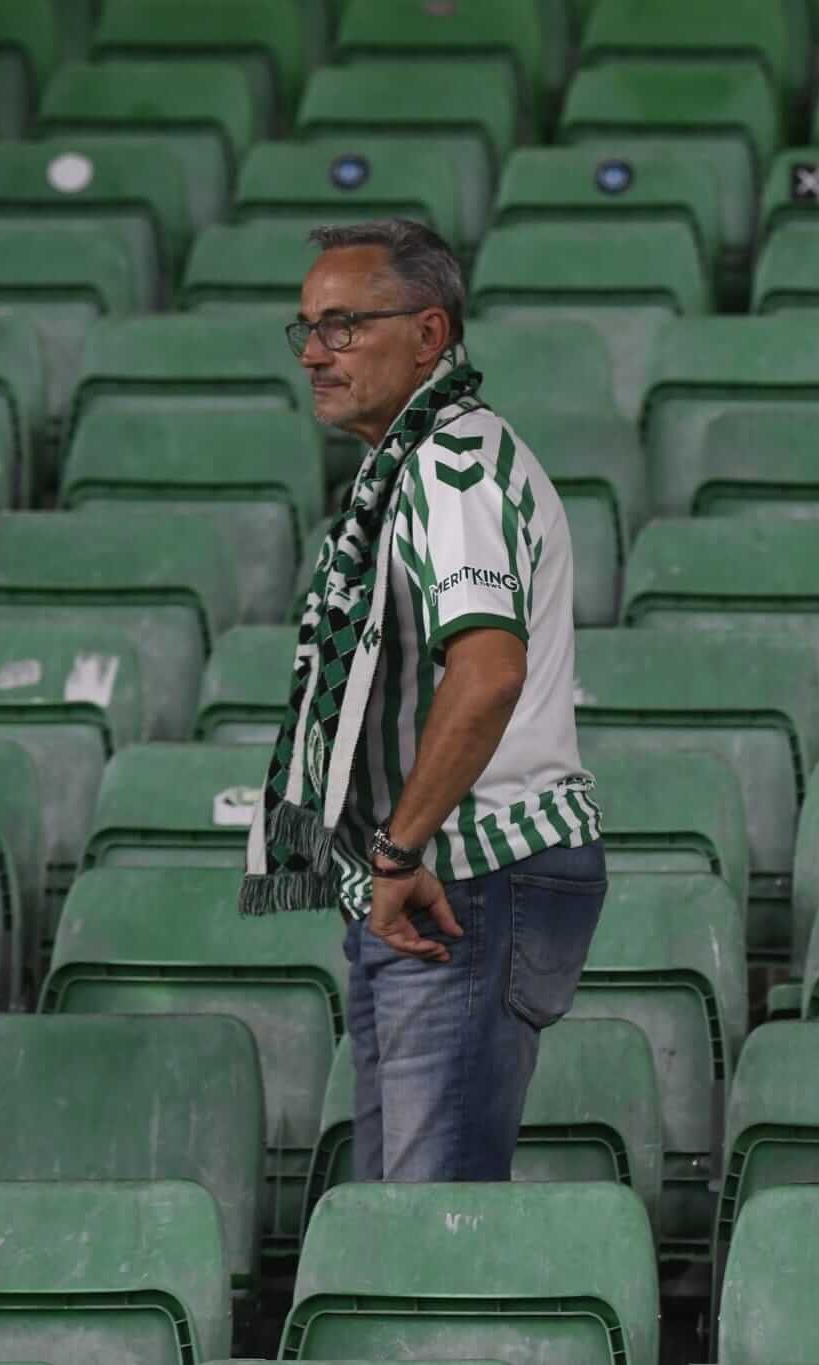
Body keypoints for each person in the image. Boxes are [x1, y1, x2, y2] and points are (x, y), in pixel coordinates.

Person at [239, 218, 606, 1182]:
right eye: (308, 328)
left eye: (345, 326)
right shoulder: (410, 462)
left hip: (464, 873)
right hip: (432, 875)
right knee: (397, 1213)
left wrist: (399, 849)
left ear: (431, 334)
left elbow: (488, 672)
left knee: (428, 1225)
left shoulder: (451, 464)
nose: (316, 352)